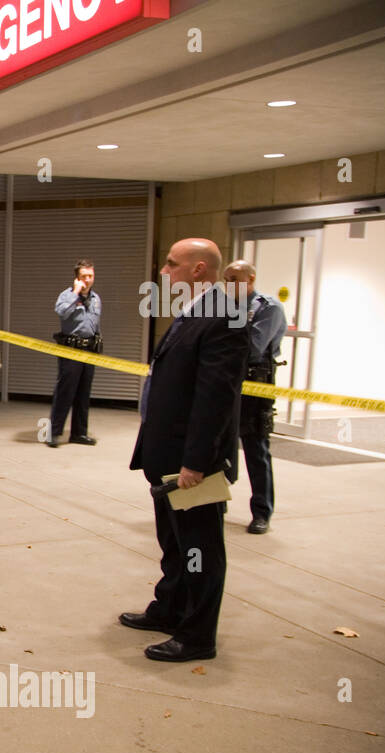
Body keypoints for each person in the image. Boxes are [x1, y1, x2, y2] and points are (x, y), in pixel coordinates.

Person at [120, 239, 250, 662]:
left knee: (198, 548)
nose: (163, 271)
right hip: (167, 457)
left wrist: (196, 461)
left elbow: (215, 399)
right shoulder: (194, 311)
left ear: (197, 270)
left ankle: (196, 636)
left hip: (191, 462)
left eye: (171, 264)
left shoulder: (224, 317)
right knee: (174, 542)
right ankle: (170, 610)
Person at [224, 259, 286, 534]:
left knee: (255, 449)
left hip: (255, 384)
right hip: (226, 380)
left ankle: (261, 512)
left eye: (234, 279)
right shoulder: (223, 306)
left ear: (250, 279)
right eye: (226, 279)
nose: (229, 284)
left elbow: (252, 347)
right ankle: (215, 504)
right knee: (218, 446)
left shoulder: (268, 307)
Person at [47, 258, 102, 447]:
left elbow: (94, 325)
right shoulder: (67, 295)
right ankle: (53, 433)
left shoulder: (96, 299)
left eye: (90, 276)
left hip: (90, 349)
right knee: (65, 391)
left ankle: (79, 433)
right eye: (84, 276)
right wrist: (76, 293)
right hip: (71, 349)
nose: (88, 280)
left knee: (83, 393)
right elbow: (61, 312)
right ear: (77, 278)